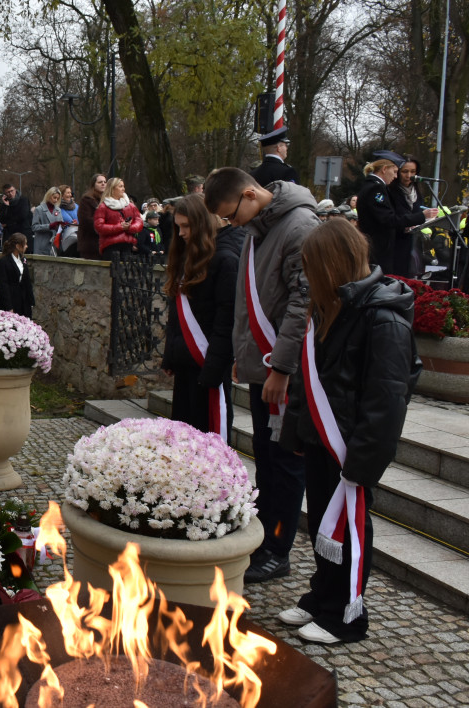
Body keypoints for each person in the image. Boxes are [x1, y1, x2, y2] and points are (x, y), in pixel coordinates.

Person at [277, 218, 420, 644]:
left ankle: (347, 615)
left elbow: (387, 400)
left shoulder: (383, 319)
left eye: (311, 266)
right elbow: (307, 378)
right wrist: (296, 434)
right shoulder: (329, 307)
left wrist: (363, 460)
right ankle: (323, 596)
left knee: (350, 528)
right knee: (324, 522)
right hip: (322, 438)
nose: (305, 276)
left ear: (333, 264)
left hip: (351, 446)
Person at [204, 166, 320, 584]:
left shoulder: (300, 226)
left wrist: (282, 368)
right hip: (261, 361)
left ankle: (277, 548)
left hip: (284, 370)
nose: (232, 224)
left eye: (232, 215)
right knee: (266, 457)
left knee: (284, 461)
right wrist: (244, 352)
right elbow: (249, 296)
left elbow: (302, 304)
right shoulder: (260, 226)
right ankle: (263, 538)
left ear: (250, 195)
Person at [161, 194, 243, 437]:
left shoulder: (225, 260)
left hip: (208, 365)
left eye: (186, 226)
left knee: (209, 441)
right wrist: (170, 354)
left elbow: (226, 321)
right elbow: (177, 314)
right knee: (183, 439)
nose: (182, 233)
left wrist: (213, 370)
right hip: (185, 362)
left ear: (202, 223)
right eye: (178, 227)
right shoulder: (187, 256)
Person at [357, 151, 437, 276]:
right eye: (395, 172)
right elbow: (388, 219)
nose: (395, 176)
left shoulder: (376, 186)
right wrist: (422, 216)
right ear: (384, 169)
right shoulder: (375, 188)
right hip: (378, 247)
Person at [388, 155, 426, 277]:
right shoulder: (390, 191)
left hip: (413, 243)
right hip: (395, 243)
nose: (409, 175)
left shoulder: (417, 192)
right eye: (405, 171)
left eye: (413, 171)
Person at [93, 177, 144, 259]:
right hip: (110, 247)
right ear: (112, 189)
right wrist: (120, 227)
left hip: (128, 246)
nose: (123, 189)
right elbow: (99, 227)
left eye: (123, 186)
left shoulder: (131, 206)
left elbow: (139, 222)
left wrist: (129, 227)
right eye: (120, 186)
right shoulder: (103, 207)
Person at [0, 233, 34, 318]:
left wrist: (31, 301)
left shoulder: (23, 259)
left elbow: (27, 281)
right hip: (10, 299)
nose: (27, 246)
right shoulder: (3, 261)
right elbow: (3, 285)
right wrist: (9, 307)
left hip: (23, 300)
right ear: (17, 246)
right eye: (25, 244)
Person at [76, 174, 106, 260]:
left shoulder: (107, 200)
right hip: (90, 245)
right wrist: (104, 225)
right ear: (93, 184)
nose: (103, 184)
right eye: (100, 182)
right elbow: (86, 221)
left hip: (104, 244)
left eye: (105, 182)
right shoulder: (86, 200)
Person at [0, 183, 33, 251]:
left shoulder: (23, 200)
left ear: (15, 190)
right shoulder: (4, 205)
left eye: (12, 191)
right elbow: (2, 220)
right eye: (8, 192)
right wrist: (6, 206)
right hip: (10, 234)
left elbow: (22, 215)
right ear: (5, 194)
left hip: (23, 231)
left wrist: (8, 222)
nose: (10, 193)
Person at [32, 187, 63, 256]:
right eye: (54, 197)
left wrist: (62, 226)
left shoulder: (58, 210)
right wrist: (49, 226)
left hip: (53, 245)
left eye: (58, 198)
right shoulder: (39, 209)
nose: (56, 200)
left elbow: (60, 224)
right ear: (49, 196)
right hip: (42, 244)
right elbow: (34, 227)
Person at [57, 184, 79, 256]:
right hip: (64, 239)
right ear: (61, 195)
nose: (70, 195)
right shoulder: (57, 208)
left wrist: (77, 223)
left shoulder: (76, 206)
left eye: (70, 193)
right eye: (68, 193)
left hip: (77, 237)